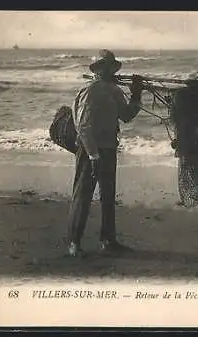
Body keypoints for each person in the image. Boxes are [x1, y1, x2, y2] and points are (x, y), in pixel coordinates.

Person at [66, 49, 144, 257]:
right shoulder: (90, 91)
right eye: (106, 67)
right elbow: (83, 127)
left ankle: (108, 240)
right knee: (83, 194)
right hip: (89, 149)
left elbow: (126, 116)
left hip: (109, 147)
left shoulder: (114, 91)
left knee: (108, 196)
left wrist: (137, 94)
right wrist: (93, 155)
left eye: (111, 67)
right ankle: (74, 243)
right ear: (99, 69)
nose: (110, 71)